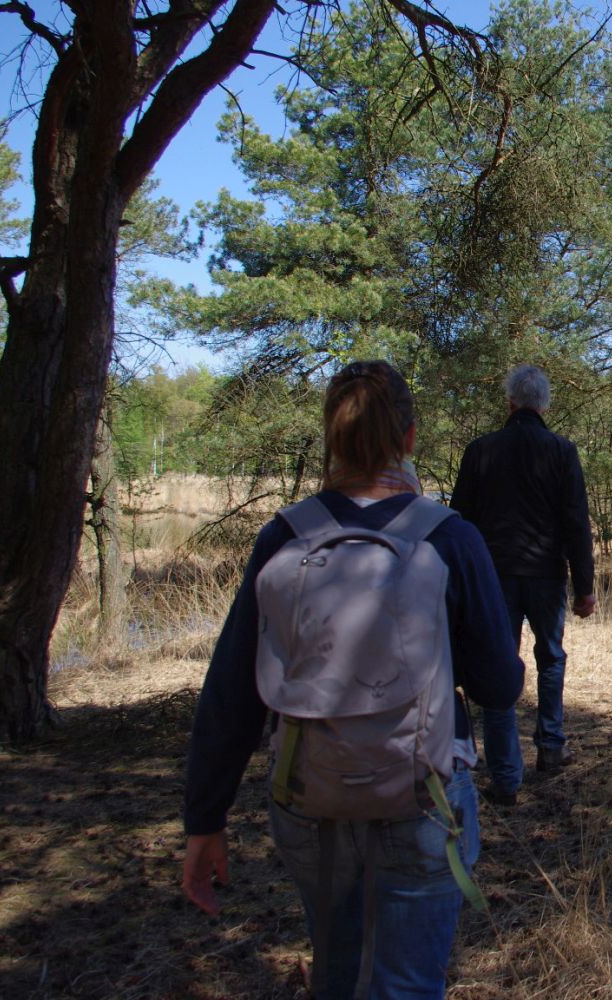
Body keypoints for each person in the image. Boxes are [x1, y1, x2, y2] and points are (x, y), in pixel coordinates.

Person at [182, 360, 523, 1000]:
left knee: (336, 973)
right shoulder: (450, 537)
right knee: (408, 984)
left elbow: (230, 692)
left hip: (307, 800)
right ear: (411, 438)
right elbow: (499, 688)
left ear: (331, 437)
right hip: (423, 802)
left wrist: (205, 819)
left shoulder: (285, 535)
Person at [451, 364, 597, 806]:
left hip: (492, 579)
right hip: (547, 577)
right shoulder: (561, 451)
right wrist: (584, 586)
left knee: (499, 664)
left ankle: (505, 775)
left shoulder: (480, 451)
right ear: (544, 404)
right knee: (550, 657)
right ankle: (551, 747)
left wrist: (459, 585)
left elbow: (459, 522)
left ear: (510, 402)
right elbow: (576, 522)